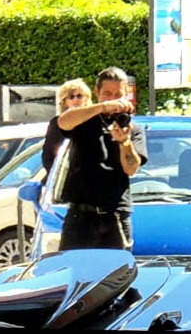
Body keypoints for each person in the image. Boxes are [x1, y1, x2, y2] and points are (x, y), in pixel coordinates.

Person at [54, 65, 148, 250]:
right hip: (80, 216)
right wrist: (103, 107)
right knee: (73, 273)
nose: (113, 100)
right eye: (107, 93)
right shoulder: (84, 120)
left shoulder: (133, 129)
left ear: (126, 95)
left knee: (117, 275)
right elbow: (64, 121)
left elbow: (131, 169)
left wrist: (124, 142)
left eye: (117, 95)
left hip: (115, 214)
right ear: (97, 92)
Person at [43, 79, 90, 176]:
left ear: (86, 99)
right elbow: (48, 156)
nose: (76, 100)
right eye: (71, 97)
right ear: (64, 102)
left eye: (79, 96)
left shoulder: (94, 121)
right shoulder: (56, 123)